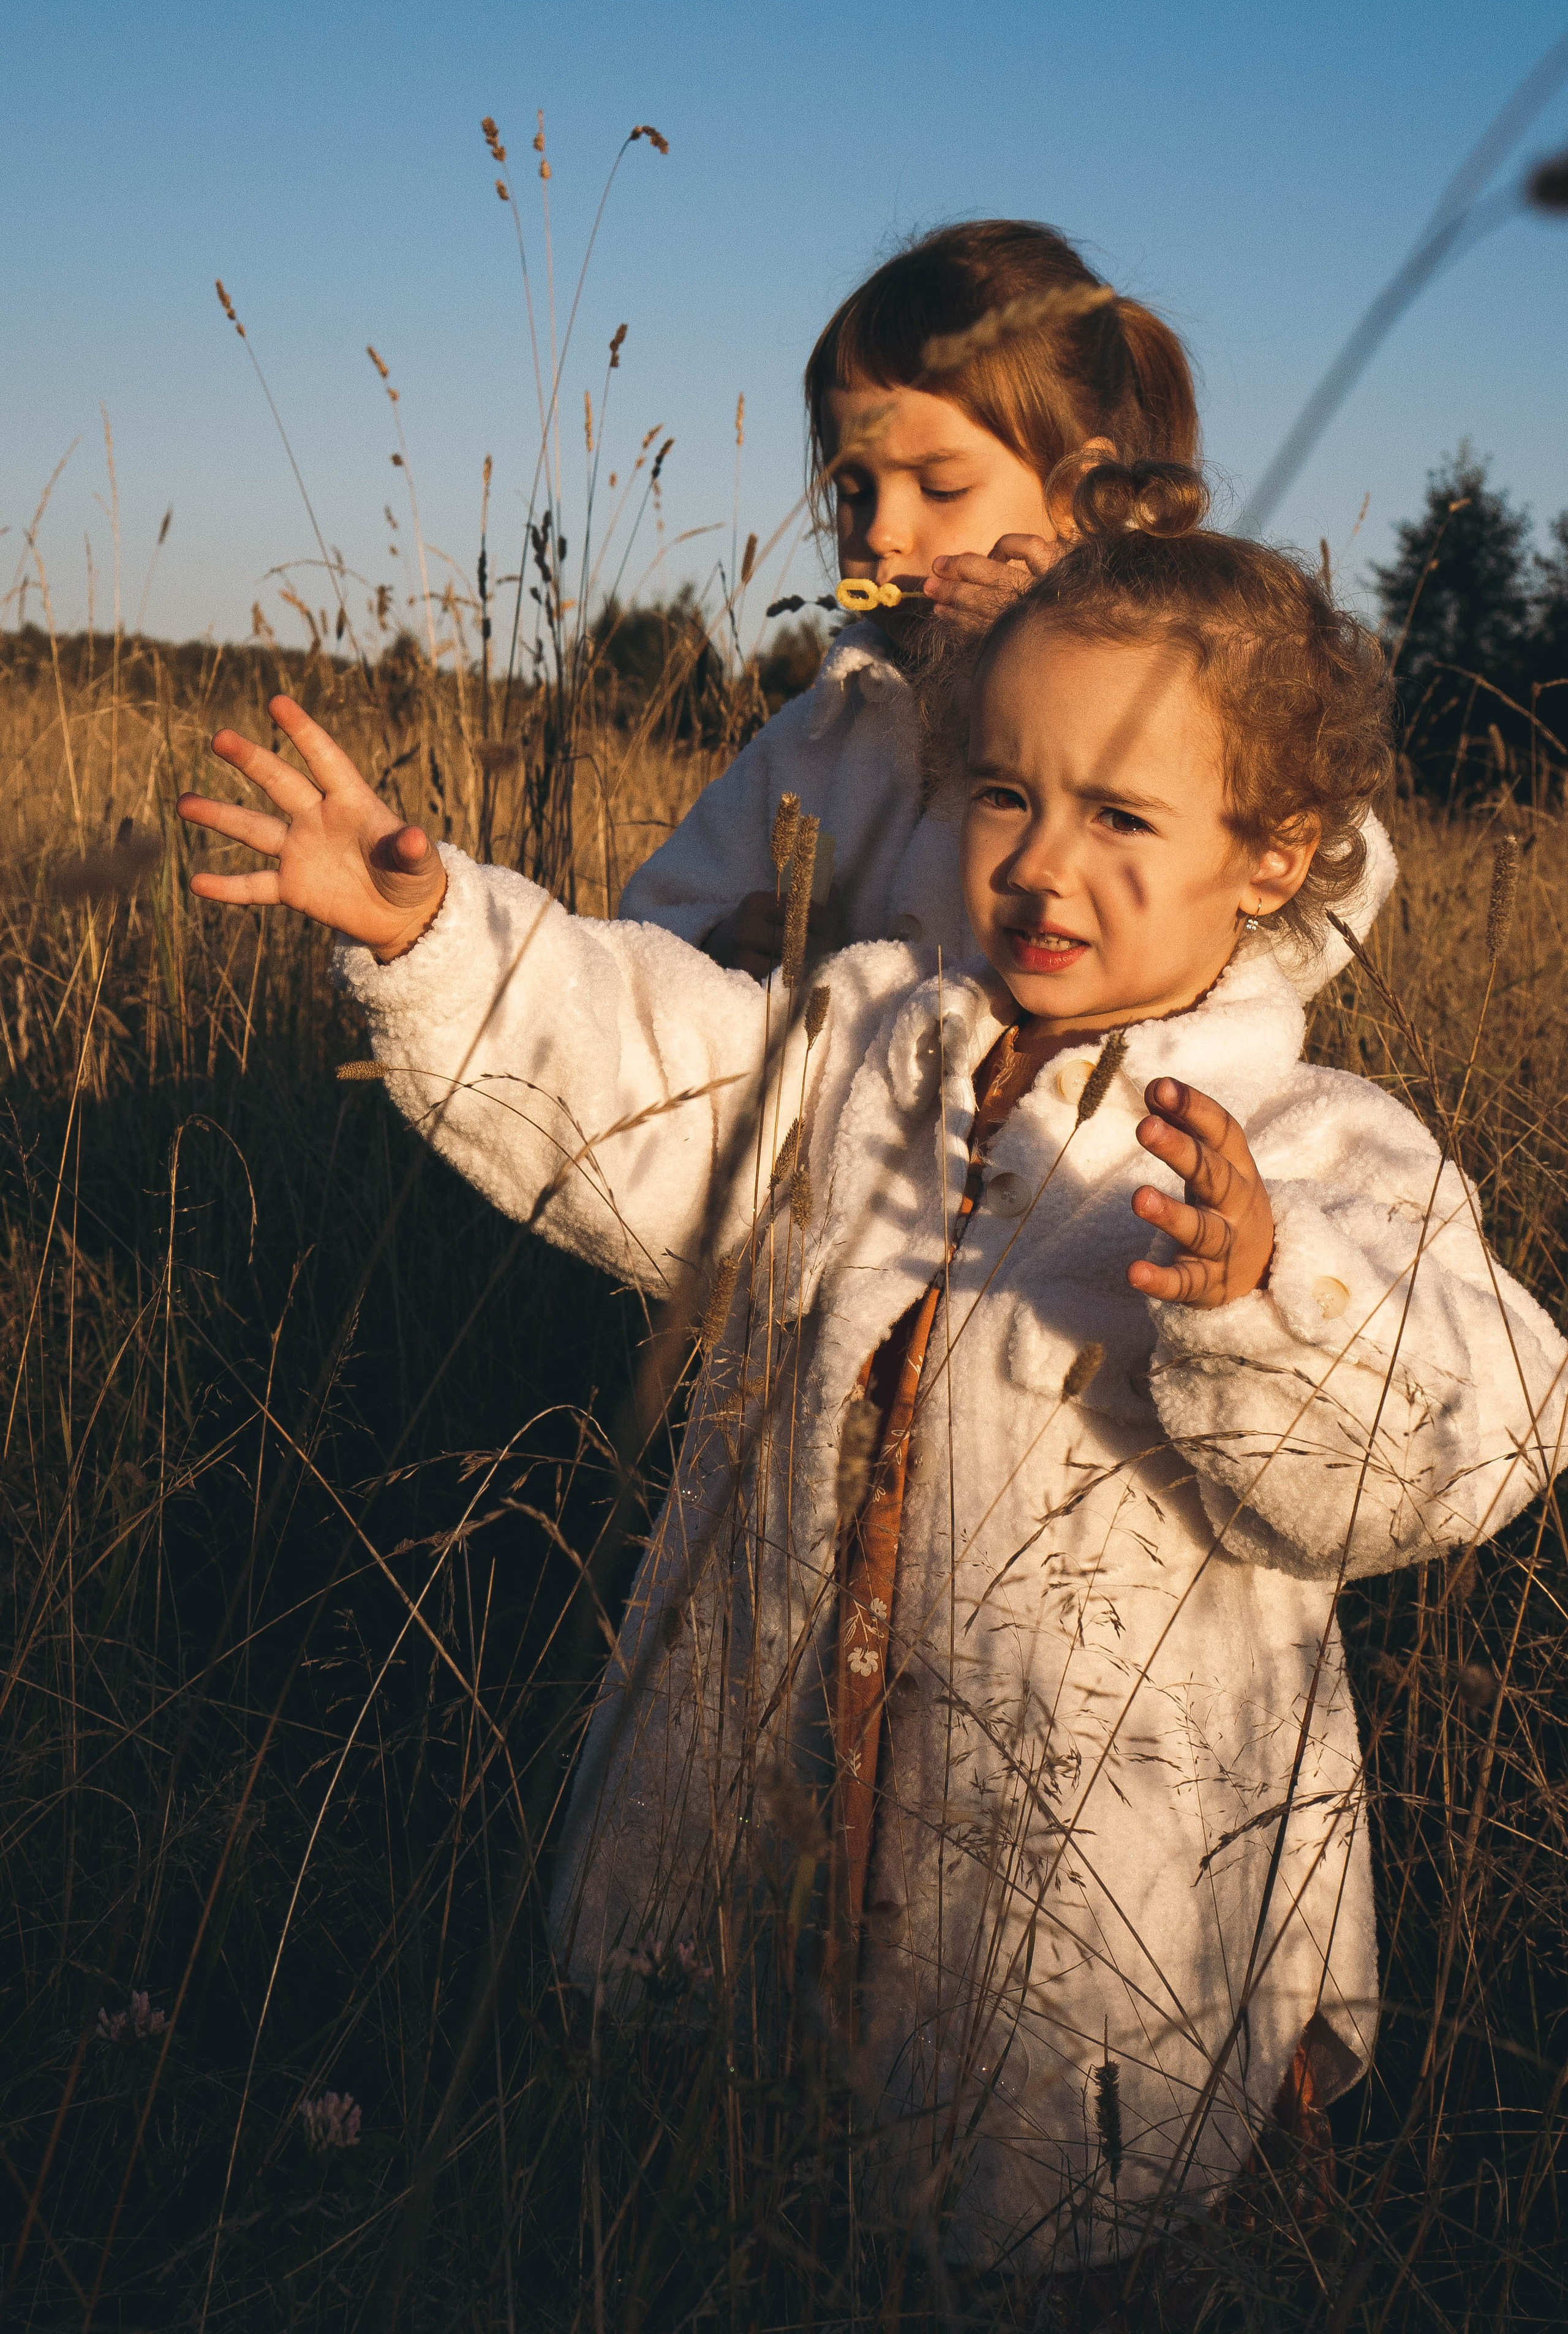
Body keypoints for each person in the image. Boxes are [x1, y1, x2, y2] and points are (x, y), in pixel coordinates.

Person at [175, 460, 1566, 2276]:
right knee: (753, 2190)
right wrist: (439, 937)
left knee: (1058, 2197)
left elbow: (1469, 1419)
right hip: (773, 1805)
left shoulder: (1313, 1149)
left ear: (1273, 849)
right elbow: (646, 1072)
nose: (1043, 859)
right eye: (1003, 791)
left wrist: (1260, 1289)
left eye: (1123, 813)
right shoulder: (869, 1050)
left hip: (1092, 1897)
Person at [617, 218, 1199, 977]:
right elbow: (650, 925)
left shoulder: (1177, 691)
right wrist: (716, 948)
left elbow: (1331, 874)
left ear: (1079, 493)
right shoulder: (819, 738)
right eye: (853, 489)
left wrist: (1063, 646)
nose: (882, 532)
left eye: (940, 486)